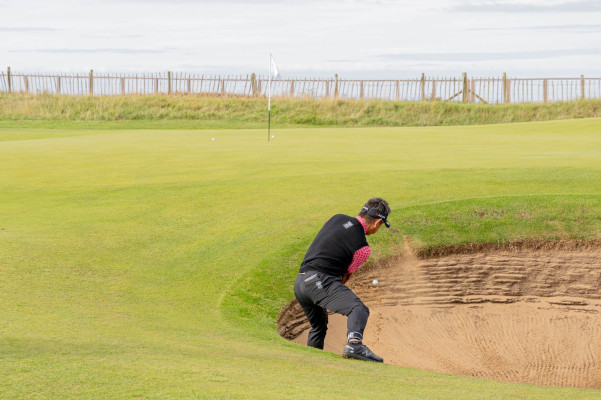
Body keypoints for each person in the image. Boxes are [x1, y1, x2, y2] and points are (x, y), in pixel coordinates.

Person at [294, 197, 391, 362]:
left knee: (319, 326)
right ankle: (354, 344)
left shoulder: (336, 217)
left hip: (301, 282)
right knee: (358, 309)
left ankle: (311, 361)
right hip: (320, 282)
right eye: (381, 226)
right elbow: (345, 276)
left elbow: (330, 238)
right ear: (376, 223)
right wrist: (332, 295)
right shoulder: (363, 248)